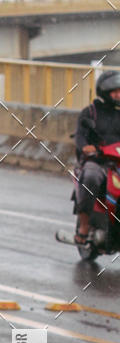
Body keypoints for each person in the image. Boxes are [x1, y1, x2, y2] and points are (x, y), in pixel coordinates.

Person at [74, 70, 120, 244]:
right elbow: (80, 135)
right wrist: (86, 147)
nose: (118, 95)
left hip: (119, 163)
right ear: (105, 92)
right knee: (91, 176)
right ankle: (84, 225)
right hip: (99, 162)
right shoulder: (91, 112)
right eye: (114, 91)